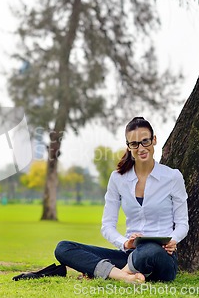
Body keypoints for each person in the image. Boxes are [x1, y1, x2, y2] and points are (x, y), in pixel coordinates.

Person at [54, 117, 189, 283]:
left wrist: (173, 240)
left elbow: (182, 223)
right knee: (64, 248)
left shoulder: (172, 177)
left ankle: (113, 275)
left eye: (145, 141)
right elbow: (107, 226)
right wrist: (126, 243)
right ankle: (124, 276)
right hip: (129, 255)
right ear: (129, 146)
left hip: (162, 257)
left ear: (154, 140)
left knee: (149, 250)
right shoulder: (118, 178)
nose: (141, 148)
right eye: (134, 144)